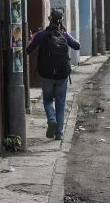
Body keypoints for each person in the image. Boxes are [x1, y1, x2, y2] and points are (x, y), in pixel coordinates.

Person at [26, 9, 80, 140]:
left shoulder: (41, 35)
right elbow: (77, 46)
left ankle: (51, 118)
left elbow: (28, 50)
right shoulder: (64, 35)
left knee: (48, 100)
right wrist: (67, 35)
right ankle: (59, 133)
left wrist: (31, 39)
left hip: (47, 75)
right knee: (60, 103)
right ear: (61, 21)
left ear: (50, 20)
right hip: (62, 75)